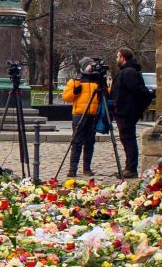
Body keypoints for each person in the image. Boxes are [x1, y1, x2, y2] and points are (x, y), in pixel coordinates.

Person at [108, 48, 153, 179]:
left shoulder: (128, 72)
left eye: (117, 57)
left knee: (128, 139)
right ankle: (129, 166)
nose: (116, 59)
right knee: (127, 139)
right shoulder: (128, 71)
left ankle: (131, 168)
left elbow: (134, 92)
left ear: (123, 57)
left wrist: (129, 108)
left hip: (126, 112)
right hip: (125, 111)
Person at [61, 58, 106, 178]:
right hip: (79, 114)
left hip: (93, 115)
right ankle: (73, 169)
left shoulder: (97, 81)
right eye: (89, 65)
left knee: (90, 143)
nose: (91, 68)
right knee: (76, 142)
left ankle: (87, 168)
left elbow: (106, 95)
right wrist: (75, 92)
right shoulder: (76, 80)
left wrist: (104, 84)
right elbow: (66, 97)